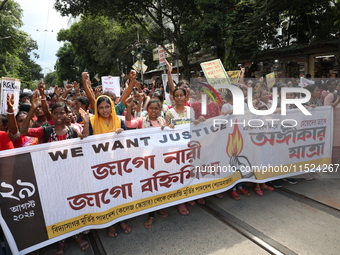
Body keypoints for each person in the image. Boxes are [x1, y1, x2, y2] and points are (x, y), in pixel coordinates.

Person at [19, 92, 90, 255]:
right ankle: (61, 241)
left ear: (66, 114)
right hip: (51, 179)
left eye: (62, 113)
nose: (59, 116)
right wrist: (33, 109)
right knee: (56, 208)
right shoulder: (45, 130)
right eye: (56, 113)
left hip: (71, 176)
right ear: (52, 114)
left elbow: (85, 137)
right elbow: (23, 131)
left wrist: (85, 122)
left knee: (73, 205)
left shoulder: (72, 131)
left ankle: (77, 235)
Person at [125, 98, 169, 228]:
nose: (154, 111)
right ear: (147, 109)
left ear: (159, 110)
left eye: (156, 108)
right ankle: (151, 215)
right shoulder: (141, 121)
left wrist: (170, 128)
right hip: (146, 160)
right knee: (150, 186)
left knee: (159, 183)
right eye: (151, 108)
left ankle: (159, 206)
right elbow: (128, 123)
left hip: (160, 158)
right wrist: (128, 107)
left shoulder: (162, 121)